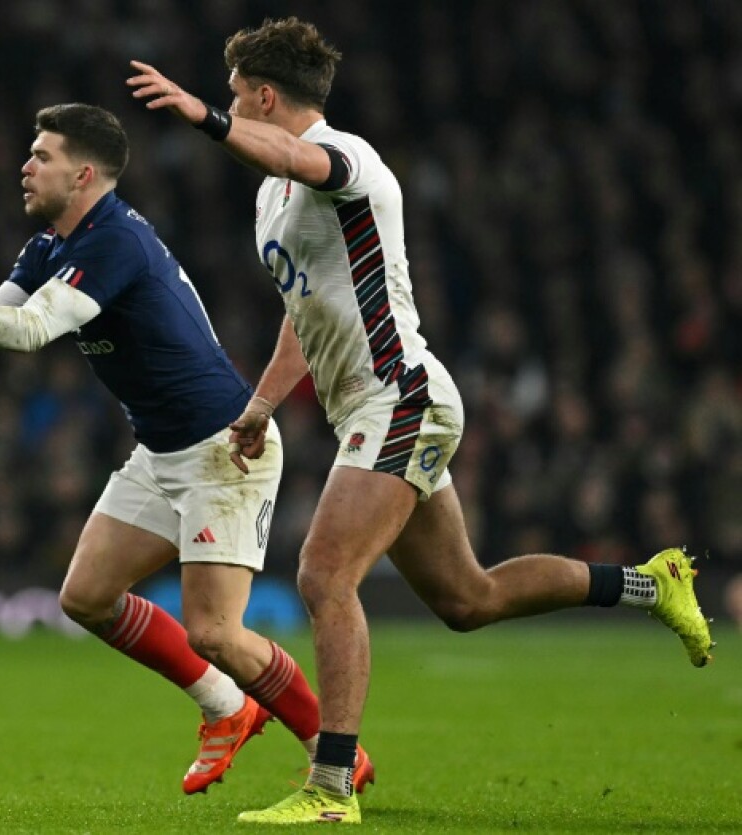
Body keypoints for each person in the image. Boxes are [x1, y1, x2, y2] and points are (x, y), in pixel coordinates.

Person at [128, 17, 715, 825]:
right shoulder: (273, 198)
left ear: (263, 97)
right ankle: (655, 582)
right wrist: (262, 405)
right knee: (468, 598)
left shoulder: (348, 157)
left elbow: (297, 155)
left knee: (324, 573)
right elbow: (304, 311)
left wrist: (201, 115)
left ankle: (331, 787)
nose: (228, 106)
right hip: (371, 409)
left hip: (401, 396)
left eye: (236, 96)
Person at [0, 103, 374, 796]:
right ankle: (226, 707)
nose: (26, 165)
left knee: (215, 632)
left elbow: (29, 331)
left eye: (42, 155)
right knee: (86, 595)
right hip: (163, 450)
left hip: (222, 449)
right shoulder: (54, 243)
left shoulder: (114, 240)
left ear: (84, 174)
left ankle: (336, 752)